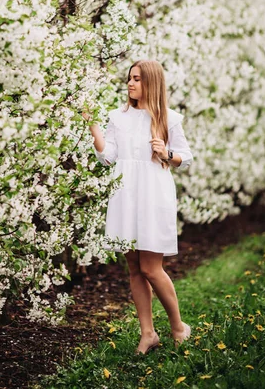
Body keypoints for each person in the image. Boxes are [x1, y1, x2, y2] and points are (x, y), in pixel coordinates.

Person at [82, 59, 193, 355]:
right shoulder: (118, 117)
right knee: (134, 267)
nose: (131, 83)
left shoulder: (167, 118)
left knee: (151, 267)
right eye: (130, 78)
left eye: (138, 79)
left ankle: (178, 326)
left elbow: (186, 155)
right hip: (125, 193)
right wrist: (92, 125)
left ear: (151, 83)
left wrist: (167, 154)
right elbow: (109, 157)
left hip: (153, 194)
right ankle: (148, 333)